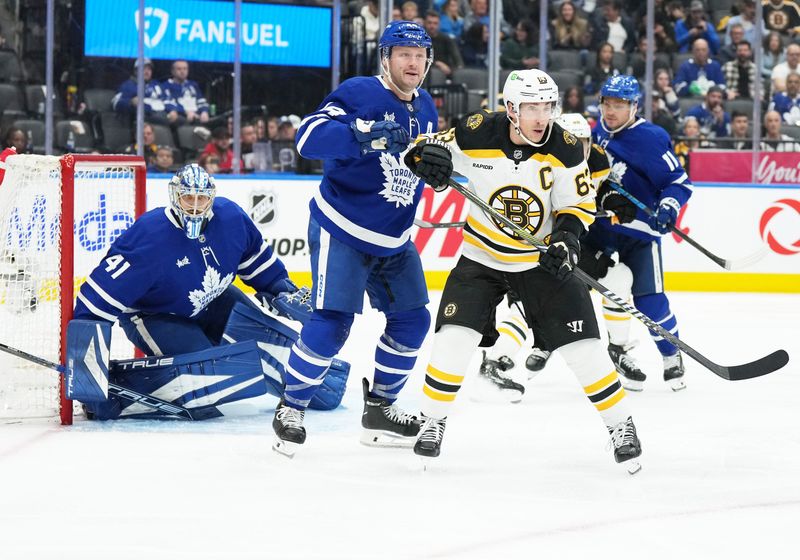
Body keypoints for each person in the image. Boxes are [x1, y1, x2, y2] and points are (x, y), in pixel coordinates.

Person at [404, 69, 643, 472]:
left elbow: (576, 207)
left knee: (583, 348)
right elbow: (426, 151)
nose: (541, 117)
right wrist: (423, 160)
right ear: (511, 108)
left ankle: (621, 426)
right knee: (454, 339)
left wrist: (565, 241)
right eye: (532, 107)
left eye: (547, 107)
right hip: (480, 257)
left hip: (539, 261)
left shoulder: (566, 147)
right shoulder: (477, 131)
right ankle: (432, 421)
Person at [272, 21, 438, 457]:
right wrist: (360, 136)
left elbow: (425, 166)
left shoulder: (427, 108)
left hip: (395, 239)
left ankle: (380, 409)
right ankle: (291, 407)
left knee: (414, 320)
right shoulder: (359, 92)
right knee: (332, 324)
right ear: (385, 59)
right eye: (404, 53)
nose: (413, 62)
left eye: (420, 55)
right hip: (341, 228)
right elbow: (307, 139)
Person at [66, 164, 345, 421]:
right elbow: (94, 304)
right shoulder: (149, 238)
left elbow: (260, 268)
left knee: (324, 389)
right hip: (156, 315)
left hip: (214, 300)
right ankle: (116, 390)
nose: (196, 207)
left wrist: (281, 291)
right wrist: (86, 371)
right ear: (175, 197)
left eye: (202, 199)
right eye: (189, 198)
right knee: (210, 383)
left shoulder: (232, 219)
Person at [475, 112, 637, 395]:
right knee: (526, 305)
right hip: (535, 247)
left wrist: (612, 198)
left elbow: (595, 191)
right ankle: (496, 360)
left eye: (584, 141)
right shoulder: (540, 158)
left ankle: (617, 348)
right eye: (574, 140)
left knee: (619, 277)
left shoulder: (597, 161)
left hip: (571, 245)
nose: (579, 147)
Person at [589, 74, 693, 392]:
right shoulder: (595, 132)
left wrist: (669, 207)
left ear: (634, 106)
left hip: (640, 234)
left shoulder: (650, 137)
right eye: (607, 102)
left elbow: (678, 182)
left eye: (619, 104)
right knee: (585, 289)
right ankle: (616, 351)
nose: (611, 110)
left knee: (650, 302)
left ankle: (670, 353)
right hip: (602, 229)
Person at [112, 58, 178, 125]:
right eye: (144, 69)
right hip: (145, 116)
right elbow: (116, 103)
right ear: (136, 71)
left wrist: (172, 110)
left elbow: (168, 99)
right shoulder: (128, 85)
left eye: (149, 69)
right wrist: (131, 102)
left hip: (163, 112)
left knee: (180, 119)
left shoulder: (156, 84)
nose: (147, 72)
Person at [161, 59, 210, 125]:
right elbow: (168, 103)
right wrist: (185, 112)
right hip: (180, 115)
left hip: (197, 114)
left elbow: (201, 100)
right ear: (172, 71)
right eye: (179, 69)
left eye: (185, 69)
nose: (182, 71)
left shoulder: (193, 84)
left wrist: (204, 112)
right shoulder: (166, 85)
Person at [424, 9, 463, 78]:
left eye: (435, 23)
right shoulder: (420, 39)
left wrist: (455, 69)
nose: (432, 26)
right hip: (426, 74)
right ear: (425, 23)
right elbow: (421, 59)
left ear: (439, 24)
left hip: (446, 74)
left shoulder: (447, 39)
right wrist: (437, 64)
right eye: (429, 23)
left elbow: (457, 59)